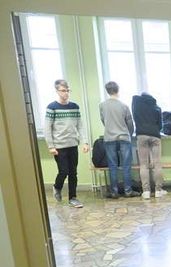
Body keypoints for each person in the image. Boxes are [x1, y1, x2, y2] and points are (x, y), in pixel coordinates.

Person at [44, 79, 89, 208]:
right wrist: (51, 146)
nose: (66, 93)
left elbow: (80, 126)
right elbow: (47, 128)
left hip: (72, 144)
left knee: (73, 173)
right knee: (63, 171)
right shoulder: (52, 107)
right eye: (63, 91)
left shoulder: (74, 107)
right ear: (57, 91)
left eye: (68, 90)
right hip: (59, 146)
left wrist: (85, 142)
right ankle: (57, 187)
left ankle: (73, 198)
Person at [99, 81, 139, 199]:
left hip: (109, 138)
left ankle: (114, 192)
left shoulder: (102, 105)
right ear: (118, 90)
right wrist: (129, 134)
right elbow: (130, 123)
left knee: (112, 166)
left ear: (107, 91)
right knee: (126, 166)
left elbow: (103, 120)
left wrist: (110, 129)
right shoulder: (124, 106)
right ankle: (128, 191)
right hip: (124, 137)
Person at [132, 92, 166, 199]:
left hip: (141, 135)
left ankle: (146, 191)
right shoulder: (156, 108)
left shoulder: (137, 106)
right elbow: (160, 126)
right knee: (157, 164)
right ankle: (158, 191)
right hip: (155, 135)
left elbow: (134, 120)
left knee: (143, 164)